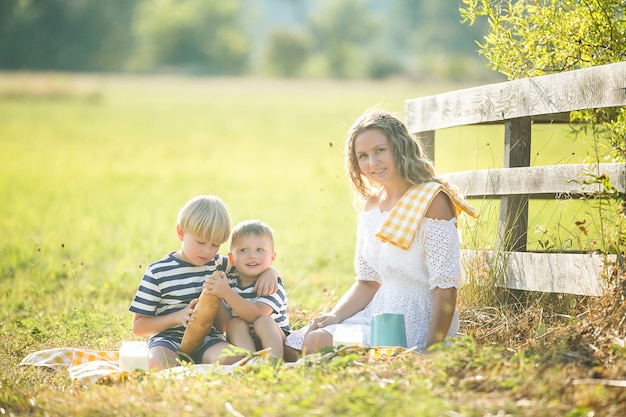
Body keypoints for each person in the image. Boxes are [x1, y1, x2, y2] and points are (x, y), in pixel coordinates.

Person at [284, 108, 478, 360]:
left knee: (317, 343)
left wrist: (435, 348)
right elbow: (368, 282)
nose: (372, 163)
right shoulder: (372, 204)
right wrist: (334, 316)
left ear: (400, 147)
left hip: (416, 320)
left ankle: (388, 360)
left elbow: (446, 285)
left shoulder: (432, 200)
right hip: (378, 314)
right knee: (292, 345)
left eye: (380, 151)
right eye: (362, 156)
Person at [129, 195, 279, 370]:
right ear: (181, 233)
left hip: (209, 340)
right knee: (156, 363)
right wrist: (177, 317)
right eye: (200, 242)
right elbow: (139, 327)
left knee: (233, 359)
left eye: (215, 244)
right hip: (168, 340)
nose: (207, 251)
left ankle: (201, 363)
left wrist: (271, 271)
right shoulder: (158, 271)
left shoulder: (218, 264)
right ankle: (182, 365)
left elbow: (249, 265)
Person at [205, 219, 291, 360]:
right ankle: (249, 360)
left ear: (272, 257)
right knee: (234, 323)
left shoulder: (271, 283)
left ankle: (275, 361)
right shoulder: (230, 281)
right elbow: (224, 325)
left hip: (278, 342)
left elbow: (257, 314)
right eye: (244, 250)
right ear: (231, 258)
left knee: (263, 321)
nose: (252, 255)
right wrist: (217, 295)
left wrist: (226, 293)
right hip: (245, 341)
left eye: (260, 250)